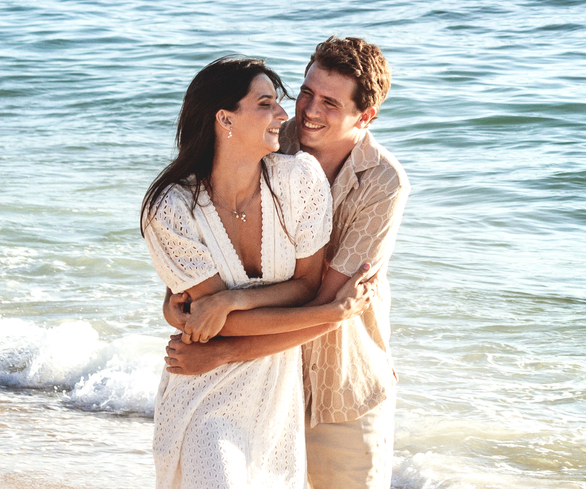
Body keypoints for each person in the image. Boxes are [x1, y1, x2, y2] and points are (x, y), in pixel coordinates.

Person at [164, 36, 410, 489]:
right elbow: (207, 243)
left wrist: (220, 348)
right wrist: (179, 305)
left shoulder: (383, 182)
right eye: (306, 92)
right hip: (262, 382)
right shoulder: (270, 141)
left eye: (330, 103)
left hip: (342, 380)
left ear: (366, 115)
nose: (308, 110)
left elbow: (328, 300)